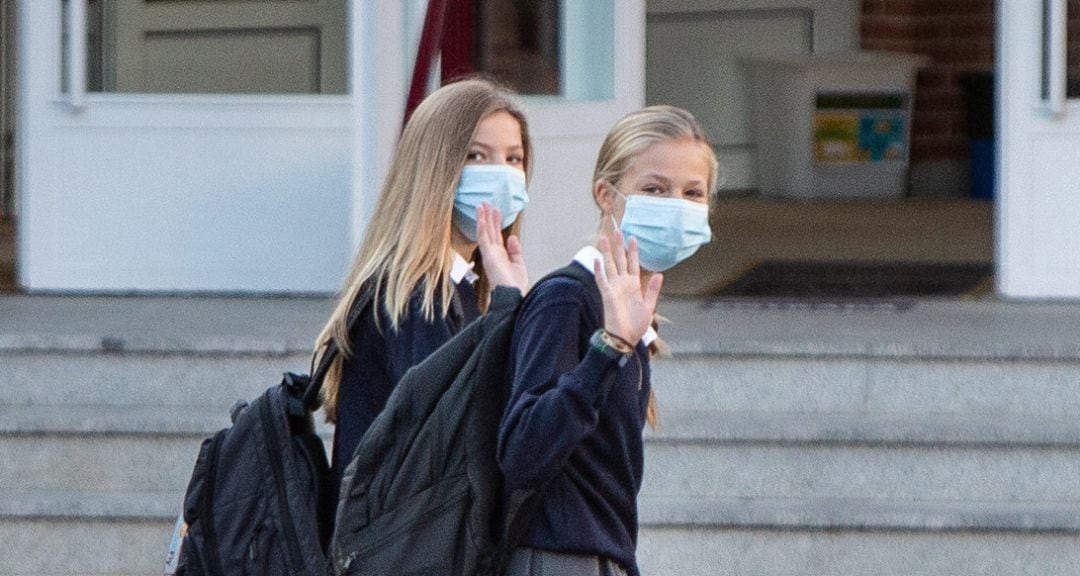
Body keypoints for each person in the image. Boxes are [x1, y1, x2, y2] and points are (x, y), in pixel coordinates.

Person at [498, 105, 717, 576]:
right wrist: (610, 347)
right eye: (654, 189)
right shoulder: (567, 299)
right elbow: (522, 449)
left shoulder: (628, 309)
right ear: (607, 195)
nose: (675, 205)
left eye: (693, 192)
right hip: (557, 558)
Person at [314, 78, 533, 491]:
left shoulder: (457, 285)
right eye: (476, 156)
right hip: (401, 546)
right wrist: (510, 307)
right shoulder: (415, 293)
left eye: (514, 159)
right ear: (435, 169)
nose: (501, 175)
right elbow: (454, 431)